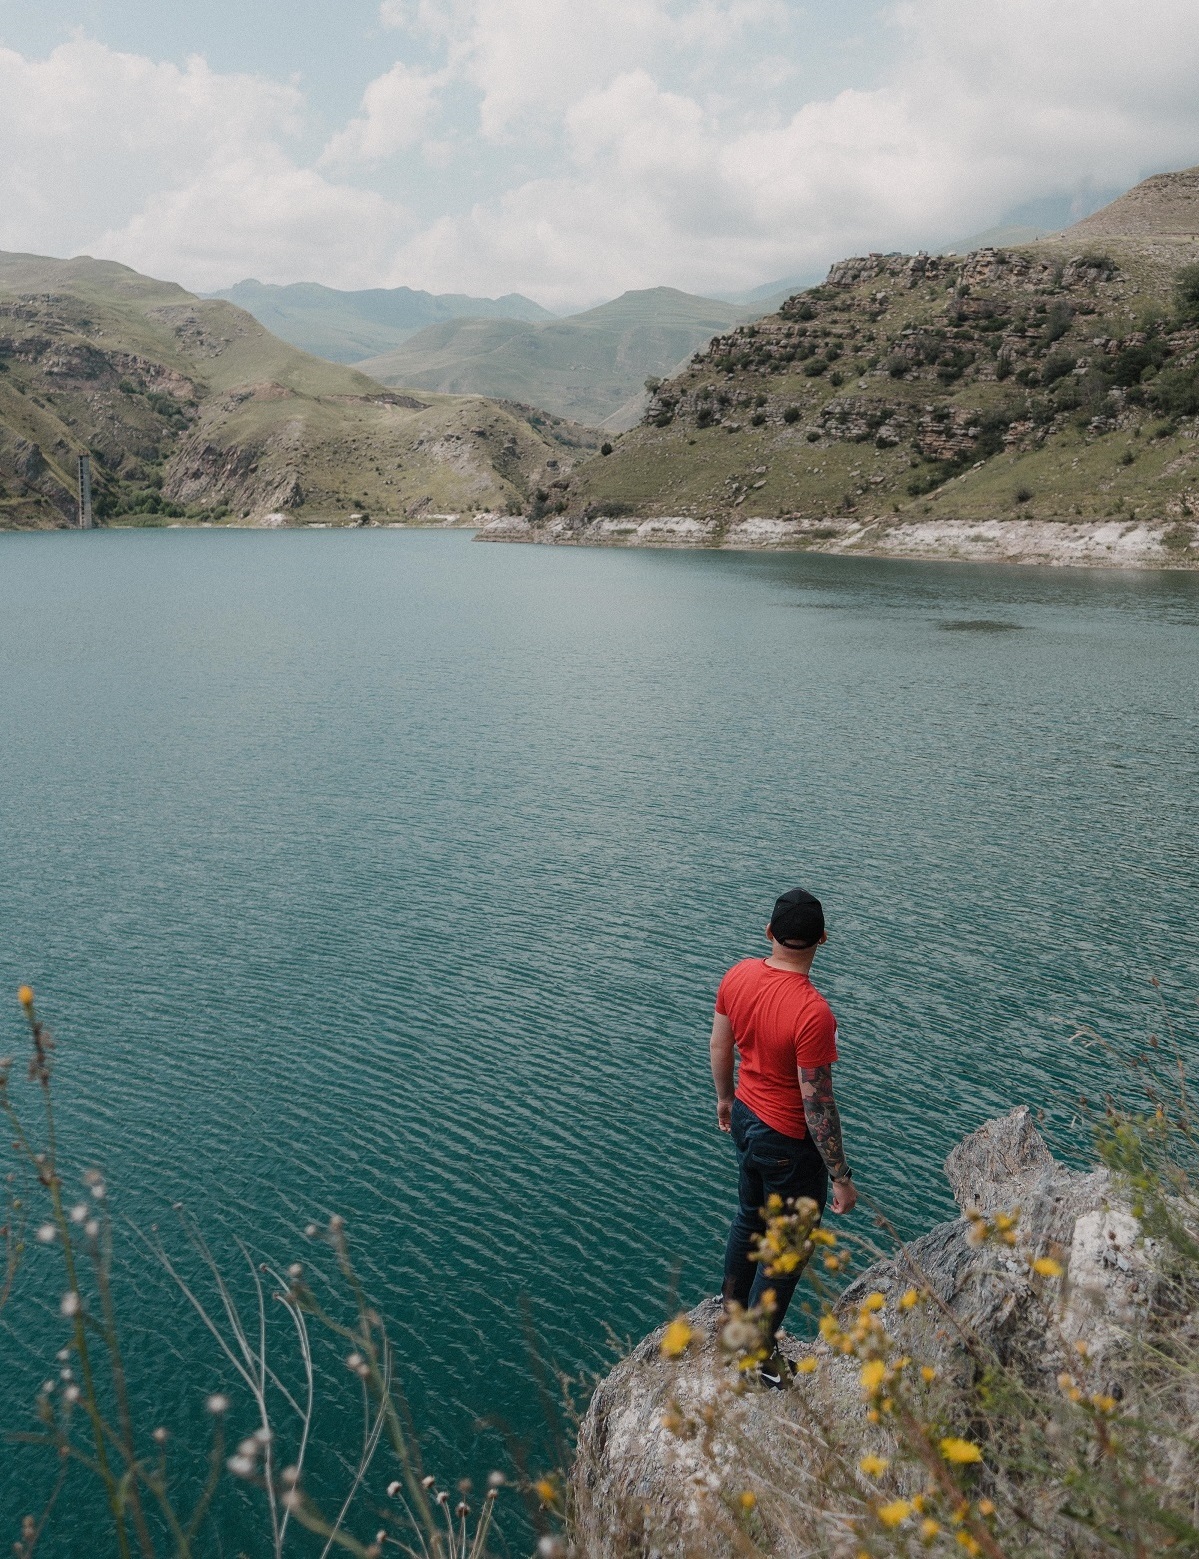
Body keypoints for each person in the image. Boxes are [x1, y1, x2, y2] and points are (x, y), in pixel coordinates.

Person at [710, 887, 857, 1385]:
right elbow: (816, 1102)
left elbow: (720, 1040)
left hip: (747, 1119)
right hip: (789, 1142)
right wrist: (840, 1175)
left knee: (748, 1218)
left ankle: (731, 1324)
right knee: (788, 1248)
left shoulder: (738, 975)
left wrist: (725, 1099)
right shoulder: (812, 1011)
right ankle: (755, 1359)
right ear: (822, 939)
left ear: (769, 934)